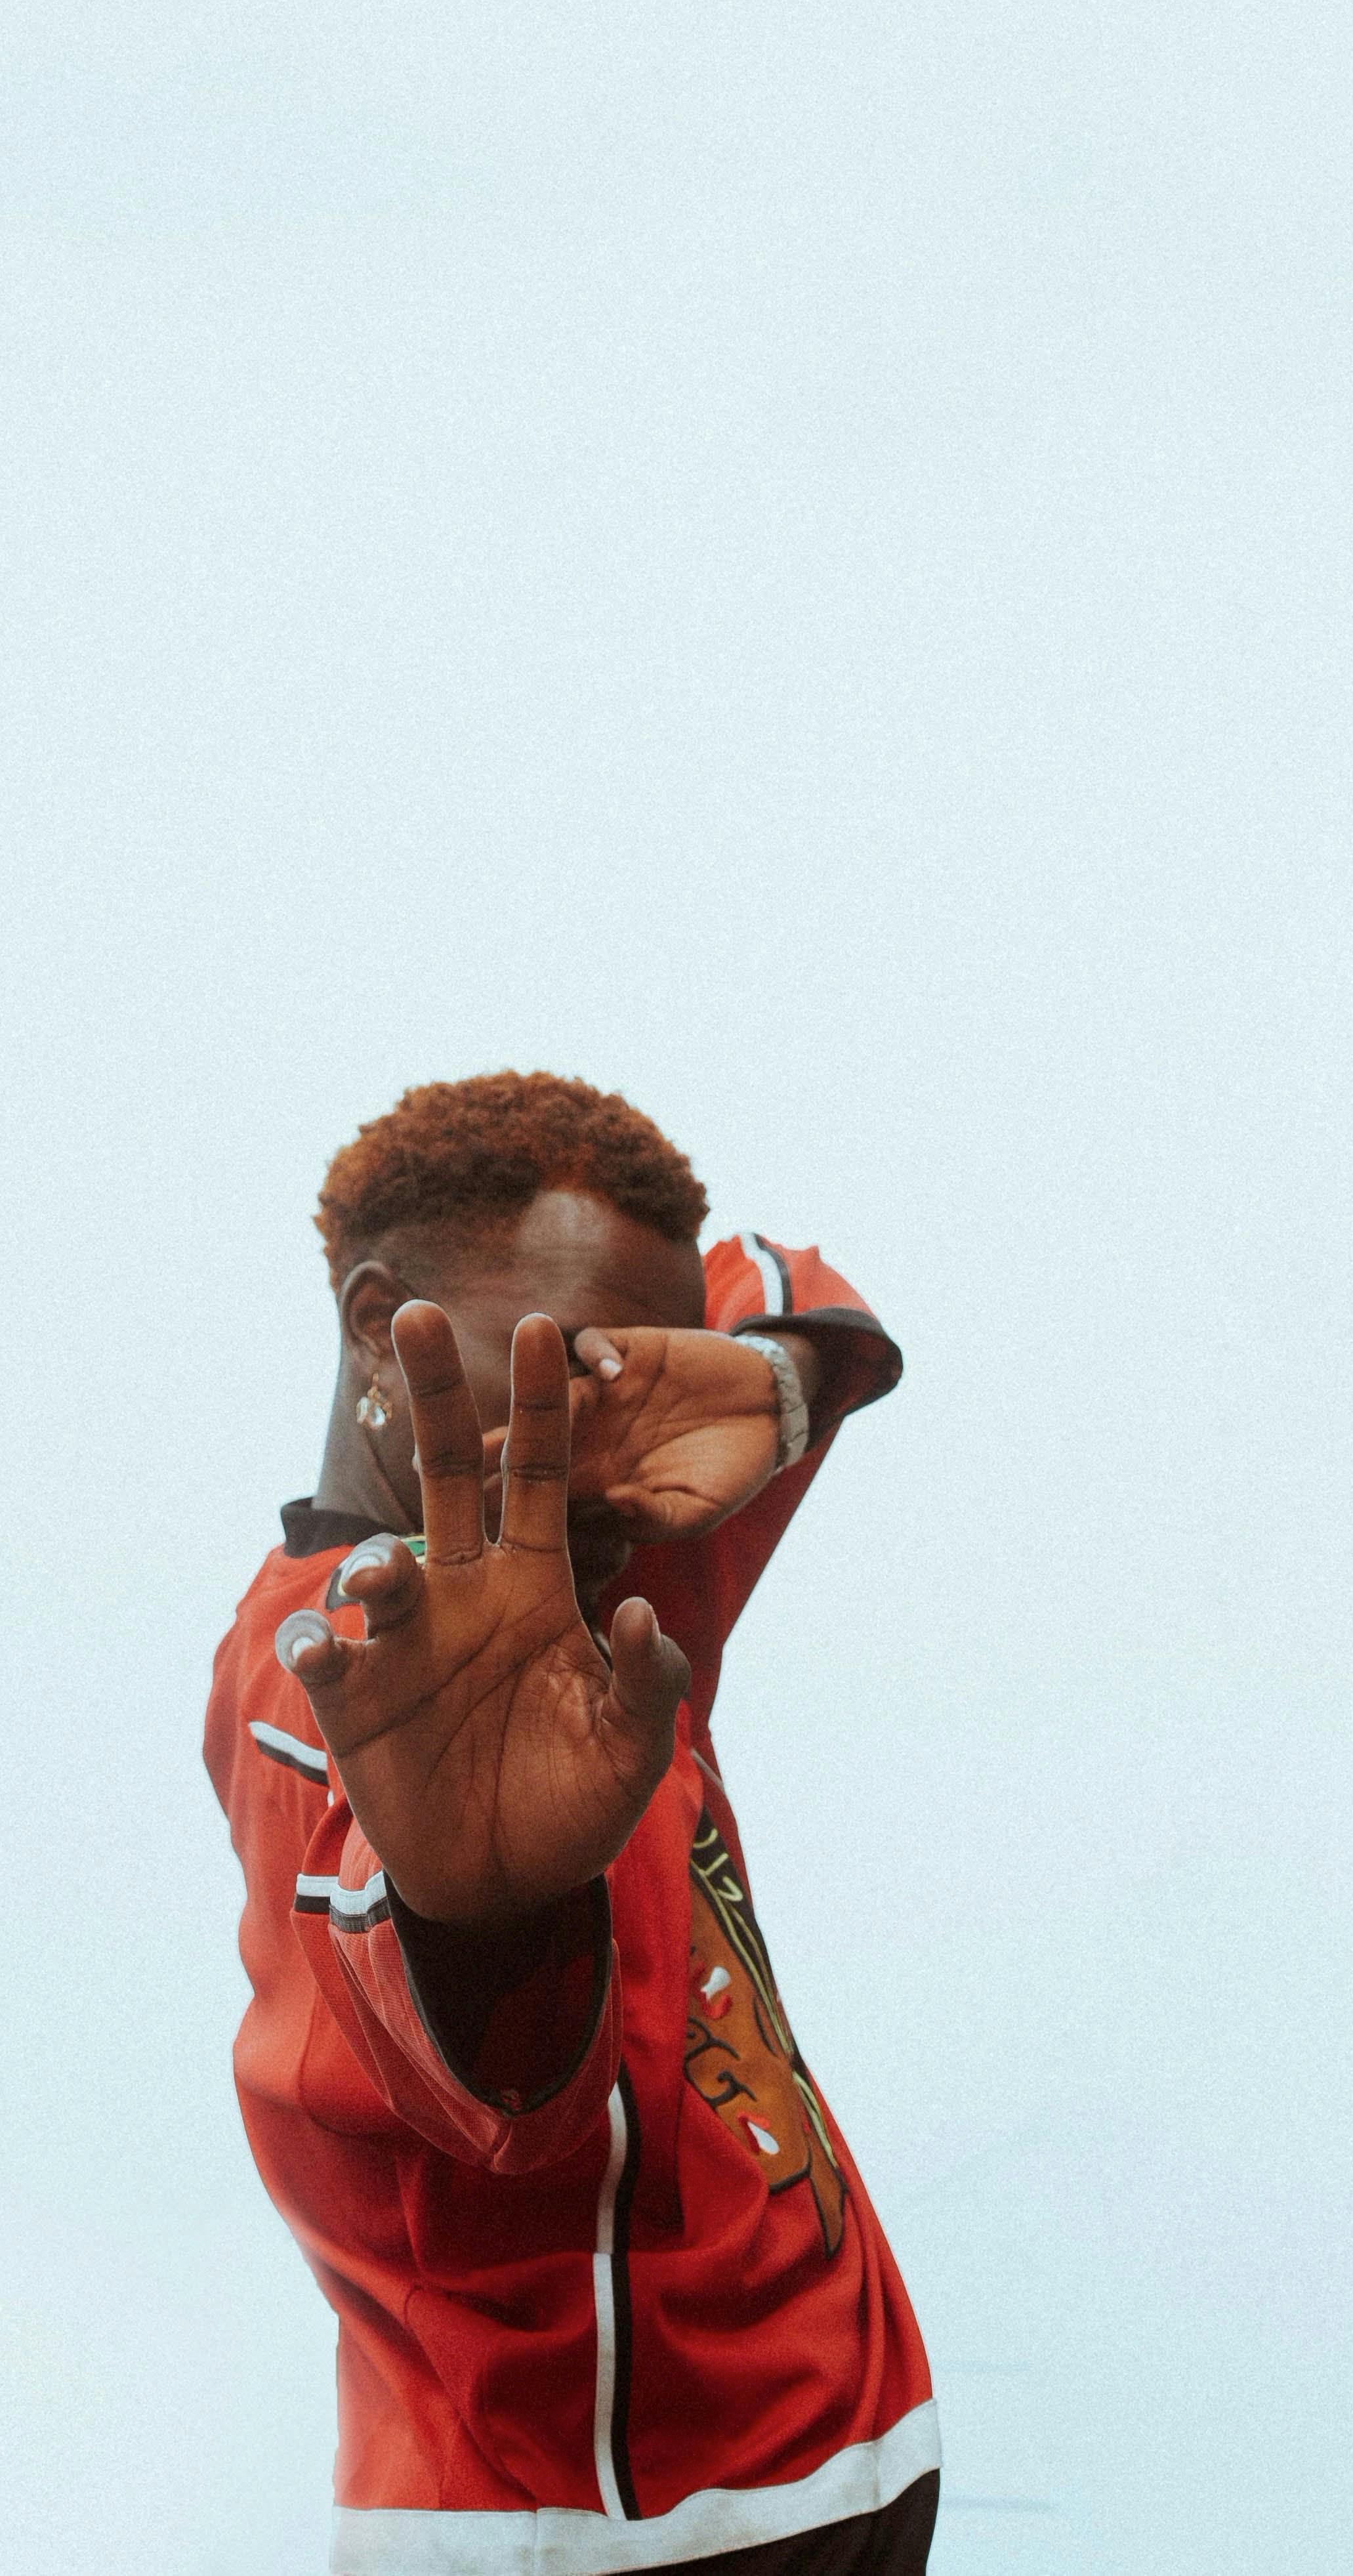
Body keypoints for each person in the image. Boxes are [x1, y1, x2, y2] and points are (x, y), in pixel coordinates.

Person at [204, 1072, 936, 2574]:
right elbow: (440, 2064)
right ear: (372, 1325)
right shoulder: (329, 1673)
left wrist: (761, 1388)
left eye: (631, 1372)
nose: (601, 1440)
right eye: (559, 1373)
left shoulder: (617, 1540)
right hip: (616, 2538)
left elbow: (807, 1295)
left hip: (841, 2457)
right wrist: (480, 1920)